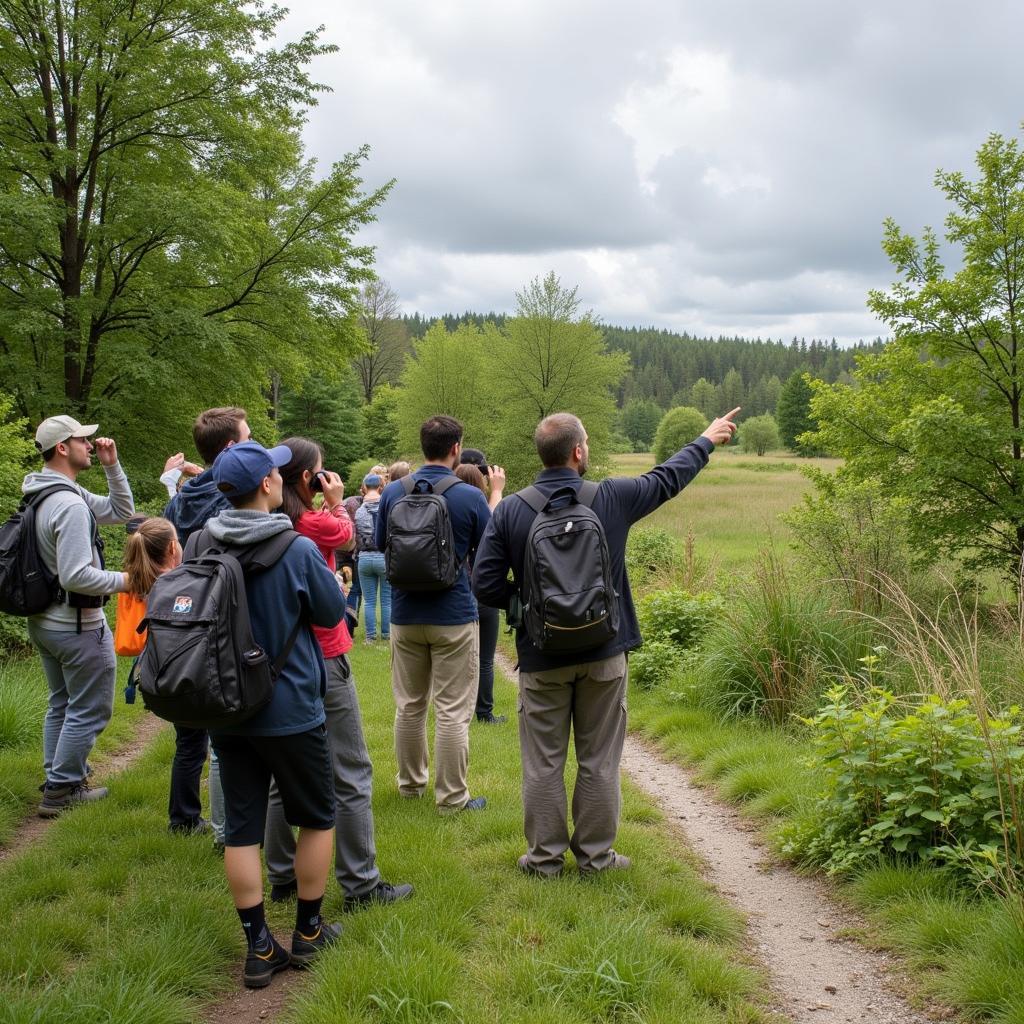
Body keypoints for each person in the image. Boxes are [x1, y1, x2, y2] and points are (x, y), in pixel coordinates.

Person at [472, 408, 739, 876]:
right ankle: (596, 858)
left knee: (543, 764)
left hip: (541, 656)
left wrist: (529, 604)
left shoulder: (512, 509)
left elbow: (484, 583)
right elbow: (666, 479)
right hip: (604, 653)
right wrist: (706, 440)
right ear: (578, 452)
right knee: (598, 760)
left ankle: (544, 860)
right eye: (588, 442)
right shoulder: (611, 497)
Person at [196, 440, 347, 989]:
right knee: (317, 815)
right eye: (276, 472)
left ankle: (259, 948)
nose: (283, 477)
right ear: (266, 485)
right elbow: (330, 614)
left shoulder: (200, 541)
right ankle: (308, 933)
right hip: (291, 708)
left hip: (226, 706)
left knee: (242, 826)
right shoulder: (296, 548)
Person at [264, 438, 413, 912]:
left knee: (277, 772)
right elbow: (347, 537)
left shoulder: (264, 520)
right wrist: (334, 500)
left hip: (272, 659)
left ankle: (282, 875)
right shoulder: (310, 522)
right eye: (322, 472)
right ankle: (361, 883)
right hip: (323, 654)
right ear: (308, 479)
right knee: (350, 770)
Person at [374, 416, 492, 813]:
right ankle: (452, 799)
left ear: (423, 445)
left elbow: (379, 543)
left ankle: (410, 786)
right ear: (457, 447)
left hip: (405, 614)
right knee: (452, 710)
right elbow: (487, 554)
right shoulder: (470, 496)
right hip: (454, 614)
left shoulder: (393, 492)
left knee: (409, 705)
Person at [23, 415, 135, 817]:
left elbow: (122, 511)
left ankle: (58, 777)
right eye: (82, 440)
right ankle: (63, 790)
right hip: (77, 626)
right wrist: (133, 580)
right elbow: (76, 575)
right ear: (62, 448)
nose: (91, 444)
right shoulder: (68, 505)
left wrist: (111, 465)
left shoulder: (46, 493)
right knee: (89, 709)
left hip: (45, 622)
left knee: (61, 704)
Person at [164, 407, 251, 841]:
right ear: (233, 448)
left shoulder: (182, 497)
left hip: (182, 618)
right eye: (248, 437)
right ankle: (227, 829)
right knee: (225, 737)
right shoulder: (229, 494)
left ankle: (183, 817)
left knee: (189, 733)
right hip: (222, 614)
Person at [454, 456, 506, 725]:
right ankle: (484, 712)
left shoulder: (451, 510)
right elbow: (491, 529)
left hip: (457, 593)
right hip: (483, 592)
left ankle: (455, 710)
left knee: (458, 658)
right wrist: (497, 492)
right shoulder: (482, 509)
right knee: (485, 658)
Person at [354, 473, 390, 643]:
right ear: (381, 487)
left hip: (365, 557)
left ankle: (370, 637)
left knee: (369, 601)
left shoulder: (359, 511)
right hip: (384, 557)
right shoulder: (387, 507)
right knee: (386, 600)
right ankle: (386, 634)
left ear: (364, 487)